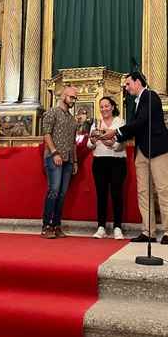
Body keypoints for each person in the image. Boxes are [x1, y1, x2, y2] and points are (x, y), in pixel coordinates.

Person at [101, 72, 168, 245]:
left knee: (162, 189)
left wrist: (117, 132)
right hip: (141, 150)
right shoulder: (135, 103)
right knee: (143, 192)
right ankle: (148, 231)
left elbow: (142, 121)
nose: (126, 88)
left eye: (128, 84)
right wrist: (115, 139)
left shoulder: (151, 96)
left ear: (137, 81)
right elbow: (135, 128)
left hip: (157, 148)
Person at [41, 87, 79, 239]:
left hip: (68, 160)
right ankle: (46, 226)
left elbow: (74, 142)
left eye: (75, 99)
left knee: (62, 194)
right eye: (71, 97)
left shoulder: (72, 119)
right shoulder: (52, 112)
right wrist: (54, 152)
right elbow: (46, 133)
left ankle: (56, 225)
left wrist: (75, 160)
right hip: (54, 157)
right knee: (53, 191)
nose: (73, 101)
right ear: (63, 96)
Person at [87, 97, 127, 240]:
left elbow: (122, 144)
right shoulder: (96, 124)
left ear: (112, 107)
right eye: (101, 106)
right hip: (99, 162)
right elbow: (89, 145)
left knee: (117, 194)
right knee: (101, 195)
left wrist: (113, 145)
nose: (104, 109)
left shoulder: (120, 122)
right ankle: (101, 227)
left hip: (117, 162)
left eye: (106, 106)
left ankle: (117, 227)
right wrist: (92, 141)